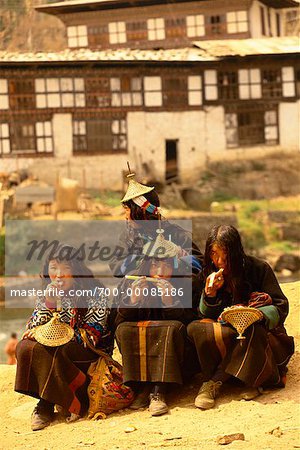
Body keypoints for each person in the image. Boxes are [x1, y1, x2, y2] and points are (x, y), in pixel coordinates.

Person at [187, 225, 294, 410]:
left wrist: (256, 314)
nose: (219, 261)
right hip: (226, 331)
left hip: (257, 335)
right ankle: (242, 376)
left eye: (225, 255)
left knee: (252, 329)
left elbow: (281, 306)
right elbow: (202, 314)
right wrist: (210, 294)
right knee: (196, 328)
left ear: (235, 252)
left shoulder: (258, 268)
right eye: (213, 254)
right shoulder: (207, 273)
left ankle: (216, 381)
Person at [15, 244, 112, 431]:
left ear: (76, 270)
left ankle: (46, 405)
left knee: (57, 348)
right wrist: (49, 303)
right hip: (57, 351)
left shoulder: (96, 293)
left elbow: (91, 337)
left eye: (66, 267)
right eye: (53, 267)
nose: (59, 274)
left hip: (86, 355)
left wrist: (51, 335)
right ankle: (47, 401)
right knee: (25, 346)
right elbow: (33, 328)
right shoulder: (47, 293)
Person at [114, 231, 201, 416]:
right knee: (124, 330)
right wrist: (132, 301)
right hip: (143, 352)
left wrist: (171, 303)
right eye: (154, 265)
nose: (160, 272)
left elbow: (192, 324)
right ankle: (139, 387)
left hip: (179, 357)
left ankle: (158, 391)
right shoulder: (131, 282)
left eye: (166, 265)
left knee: (171, 328)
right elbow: (117, 322)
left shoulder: (187, 282)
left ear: (175, 265)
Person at [109, 170, 203, 277]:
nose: (125, 216)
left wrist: (176, 260)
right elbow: (116, 267)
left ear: (140, 211)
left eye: (127, 209)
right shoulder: (129, 237)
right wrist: (144, 262)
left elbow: (200, 262)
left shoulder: (175, 234)